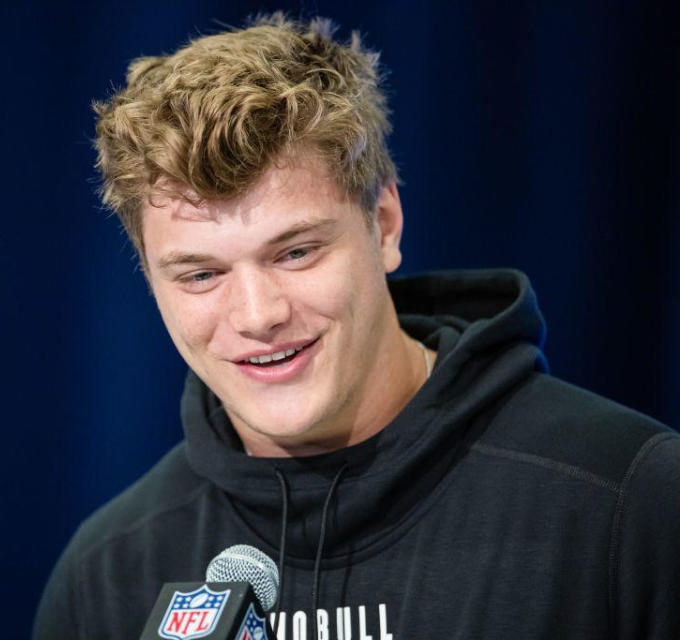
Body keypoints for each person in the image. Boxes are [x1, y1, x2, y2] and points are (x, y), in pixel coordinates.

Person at [34, 14, 679, 639]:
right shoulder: (107, 572)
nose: (259, 315)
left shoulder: (630, 502)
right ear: (150, 282)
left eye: (296, 252)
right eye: (200, 275)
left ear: (386, 223)